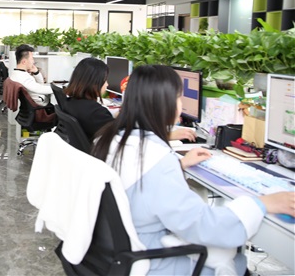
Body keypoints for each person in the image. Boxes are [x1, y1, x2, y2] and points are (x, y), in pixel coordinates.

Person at [91, 65, 295, 275]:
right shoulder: (156, 160)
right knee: (232, 258)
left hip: (116, 256)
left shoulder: (110, 139)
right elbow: (204, 226)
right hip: (152, 262)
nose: (181, 105)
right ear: (163, 104)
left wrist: (178, 165)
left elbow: (141, 185)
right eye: (178, 98)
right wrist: (262, 204)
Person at [64, 58, 197, 143]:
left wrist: (121, 114)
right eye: (105, 81)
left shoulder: (74, 103)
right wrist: (168, 135)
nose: (107, 85)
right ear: (94, 83)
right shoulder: (94, 112)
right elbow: (126, 136)